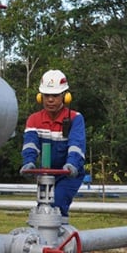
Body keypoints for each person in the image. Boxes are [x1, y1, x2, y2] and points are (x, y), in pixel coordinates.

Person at [19, 69, 86, 219]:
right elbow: (30, 144)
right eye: (46, 95)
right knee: (43, 209)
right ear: (40, 97)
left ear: (65, 97)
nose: (50, 99)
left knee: (57, 204)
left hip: (69, 174)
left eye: (55, 95)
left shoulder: (75, 118)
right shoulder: (34, 120)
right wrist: (29, 162)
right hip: (47, 173)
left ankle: (59, 238)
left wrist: (72, 165)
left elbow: (76, 145)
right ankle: (46, 240)